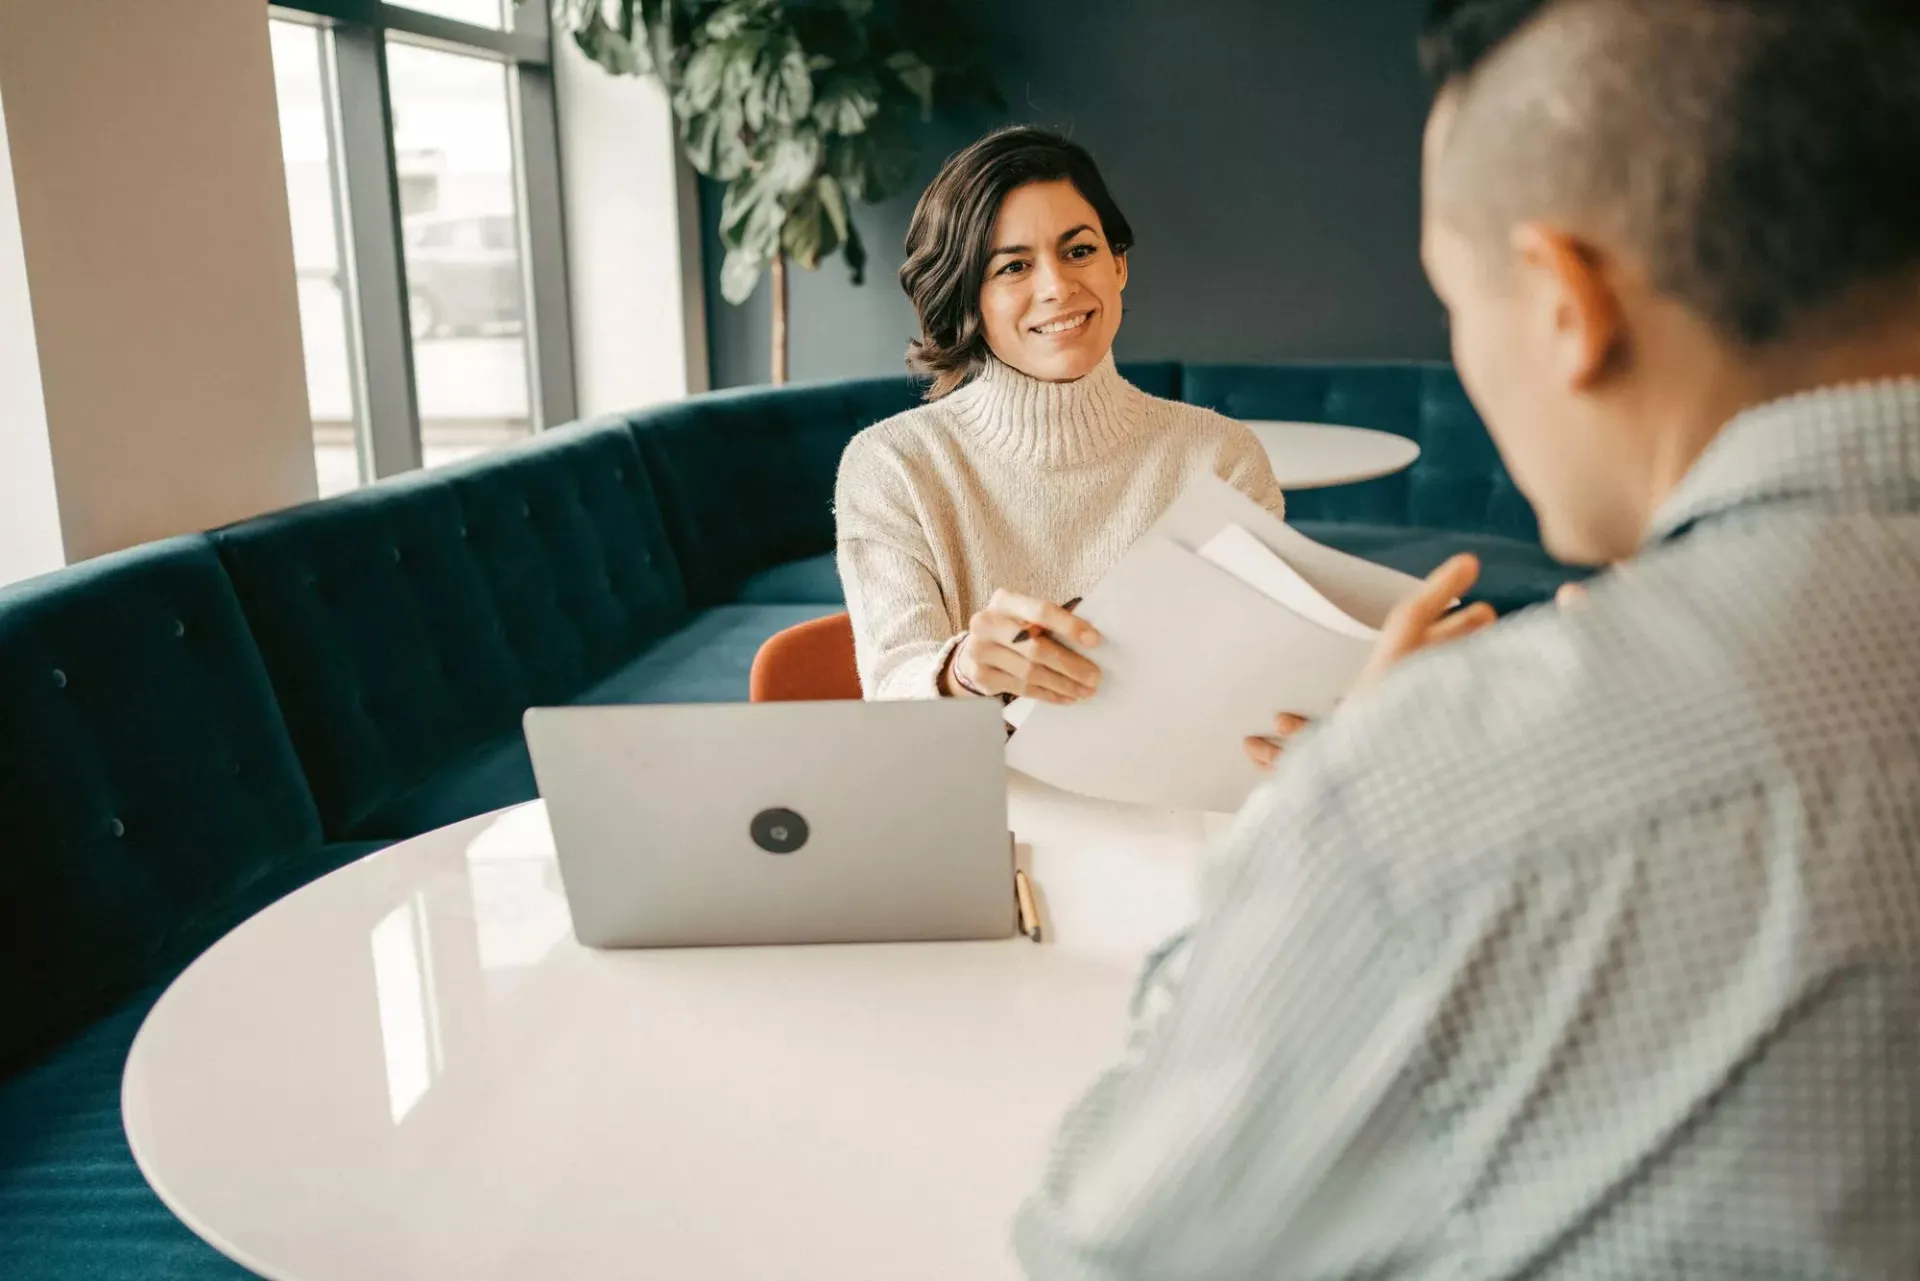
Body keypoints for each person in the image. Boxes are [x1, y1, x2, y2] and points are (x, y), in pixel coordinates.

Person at [1015, 0, 1920, 1276]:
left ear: (1563, 301)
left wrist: (1332, 798)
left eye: (1457, 294)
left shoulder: (1427, 796)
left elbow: (1107, 1247)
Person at [833, 127, 1296, 710]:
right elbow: (893, 695)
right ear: (967, 297)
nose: (1057, 287)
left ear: (1118, 266)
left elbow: (1261, 674)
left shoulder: (1222, 458)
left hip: (1177, 792)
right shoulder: (892, 467)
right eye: (1012, 267)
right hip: (982, 796)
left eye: (1079, 251)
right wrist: (964, 672)